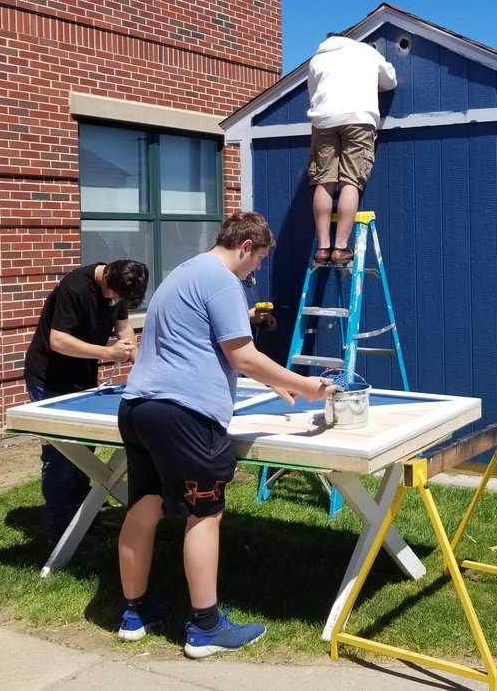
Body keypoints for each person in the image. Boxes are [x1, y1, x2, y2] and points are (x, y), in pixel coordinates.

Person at [115, 212, 337, 658]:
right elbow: (242, 356)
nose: (255, 272)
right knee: (205, 513)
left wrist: (272, 381)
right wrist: (308, 385)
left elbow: (202, 346)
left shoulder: (184, 272)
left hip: (139, 408)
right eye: (257, 262)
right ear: (246, 247)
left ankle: (135, 613)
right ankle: (205, 627)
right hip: (185, 415)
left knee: (145, 506)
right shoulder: (222, 281)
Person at [24, 259, 149, 545]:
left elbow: (124, 328)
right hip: (49, 379)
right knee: (60, 458)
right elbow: (58, 340)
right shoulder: (74, 287)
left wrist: (140, 368)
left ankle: (84, 519)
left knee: (85, 456)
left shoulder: (120, 286)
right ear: (107, 279)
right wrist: (107, 353)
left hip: (82, 377)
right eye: (115, 296)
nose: (116, 301)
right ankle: (60, 531)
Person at [306, 34, 397, 265]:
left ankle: (323, 247)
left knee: (324, 180)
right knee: (350, 181)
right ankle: (341, 248)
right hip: (358, 117)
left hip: (323, 120)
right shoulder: (365, 51)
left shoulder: (317, 59)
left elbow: (314, 93)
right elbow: (390, 80)